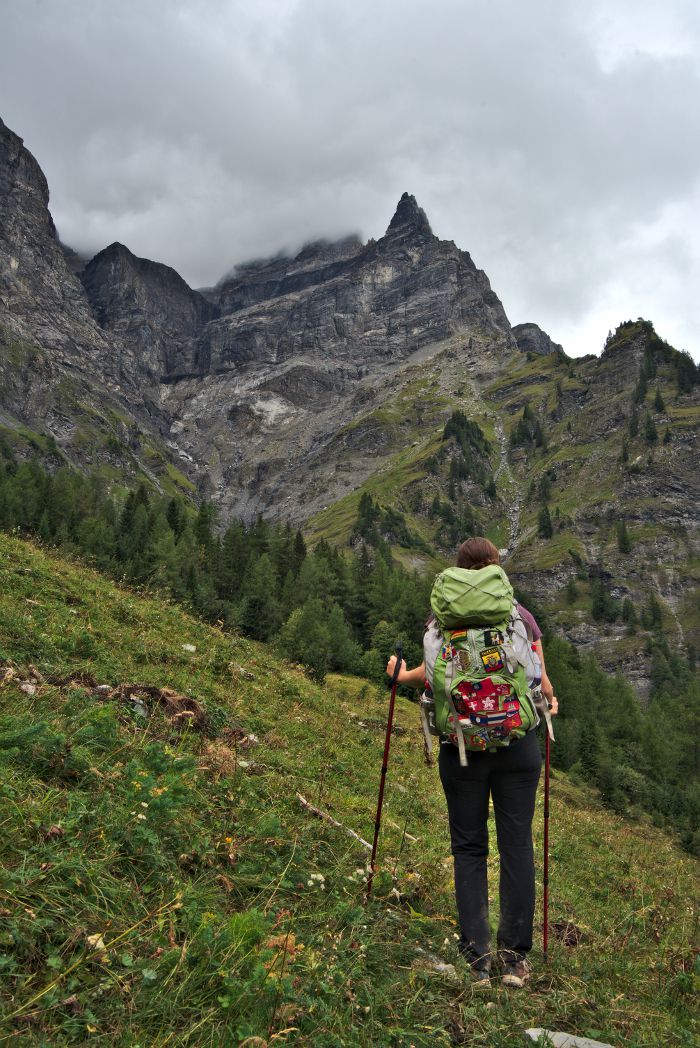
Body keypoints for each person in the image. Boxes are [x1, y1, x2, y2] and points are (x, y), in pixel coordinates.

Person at [386, 537, 558, 989]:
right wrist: (549, 703)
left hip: (461, 746)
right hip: (518, 746)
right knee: (517, 844)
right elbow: (540, 679)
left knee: (469, 847)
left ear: (459, 571)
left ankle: (476, 957)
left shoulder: (442, 618)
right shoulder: (519, 616)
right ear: (495, 568)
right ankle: (515, 959)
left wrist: (400, 676)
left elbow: (433, 671)